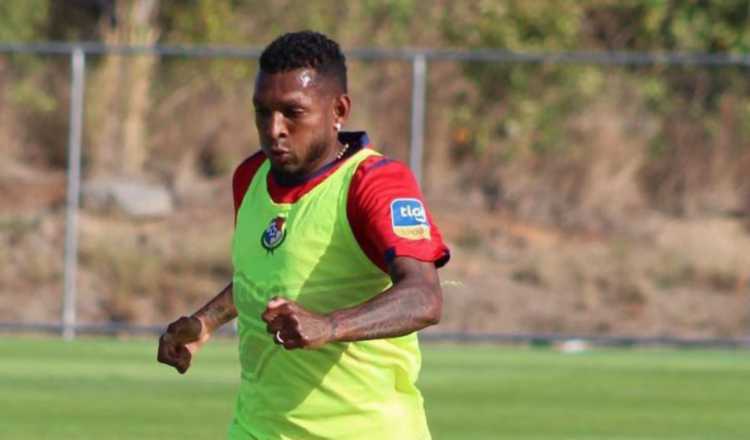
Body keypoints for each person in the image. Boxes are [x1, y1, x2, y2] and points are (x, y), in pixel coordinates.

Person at [157, 30, 450, 439]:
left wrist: (328, 326)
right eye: (262, 111)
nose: (274, 128)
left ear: (338, 110)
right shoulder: (250, 176)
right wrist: (206, 323)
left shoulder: (373, 183)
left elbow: (424, 296)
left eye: (292, 113)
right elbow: (265, 273)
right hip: (257, 428)